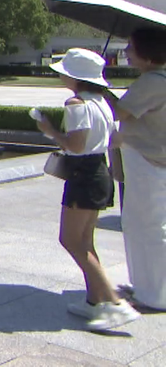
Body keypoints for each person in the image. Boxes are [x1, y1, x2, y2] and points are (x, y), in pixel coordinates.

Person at [36, 48, 140, 330]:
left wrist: (49, 130)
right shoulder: (103, 103)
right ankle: (94, 301)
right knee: (85, 241)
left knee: (71, 240)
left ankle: (115, 303)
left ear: (74, 76)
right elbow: (113, 140)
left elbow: (75, 145)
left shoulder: (76, 103)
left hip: (83, 175)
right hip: (99, 172)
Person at [113, 26, 166, 313]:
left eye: (131, 47)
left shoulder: (153, 82)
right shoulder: (156, 80)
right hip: (152, 162)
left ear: (147, 54)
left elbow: (121, 111)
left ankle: (155, 295)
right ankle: (145, 286)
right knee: (142, 225)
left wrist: (98, 89)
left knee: (147, 227)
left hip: (148, 163)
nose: (127, 52)